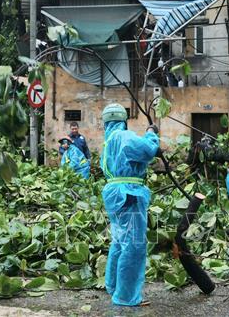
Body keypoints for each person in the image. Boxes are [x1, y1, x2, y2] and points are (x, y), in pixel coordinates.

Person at [100, 103, 160, 306]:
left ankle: (113, 285)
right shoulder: (123, 136)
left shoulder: (108, 142)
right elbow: (148, 150)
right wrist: (151, 133)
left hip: (114, 194)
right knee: (134, 245)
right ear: (124, 121)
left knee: (119, 240)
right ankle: (126, 296)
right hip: (129, 194)